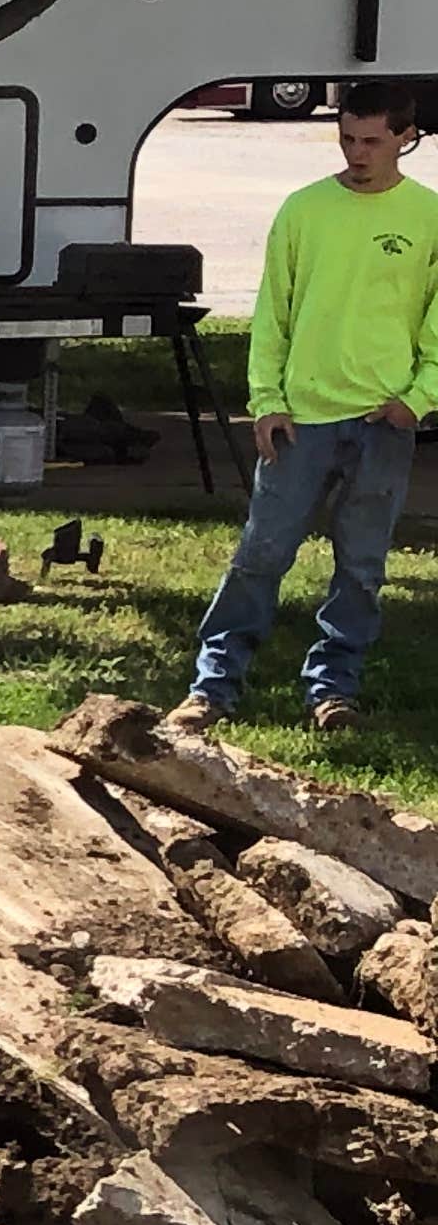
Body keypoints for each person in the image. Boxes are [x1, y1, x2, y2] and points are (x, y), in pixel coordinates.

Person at [178, 79, 438, 734]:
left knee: (361, 566)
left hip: (385, 421)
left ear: (406, 137)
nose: (357, 152)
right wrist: (266, 401)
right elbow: (273, 315)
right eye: (347, 137)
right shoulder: (304, 210)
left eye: (372, 141)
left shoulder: (428, 218)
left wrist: (420, 398)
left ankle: (334, 689)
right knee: (261, 556)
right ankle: (212, 687)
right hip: (302, 419)